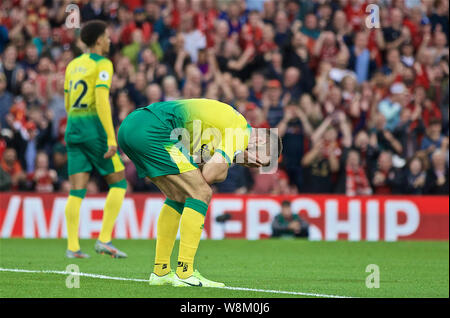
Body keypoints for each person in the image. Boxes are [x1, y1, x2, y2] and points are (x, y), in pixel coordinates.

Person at [118, 98, 282, 287]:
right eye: (261, 159)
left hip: (132, 126)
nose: (255, 166)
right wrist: (234, 158)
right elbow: (210, 175)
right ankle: (185, 272)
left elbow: (199, 166)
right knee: (202, 192)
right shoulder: (241, 131)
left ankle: (161, 271)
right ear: (260, 140)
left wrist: (234, 157)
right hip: (153, 129)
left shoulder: (222, 133)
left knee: (177, 196)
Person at [63, 20, 128, 259]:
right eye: (108, 36)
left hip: (73, 129)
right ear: (99, 40)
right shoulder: (103, 64)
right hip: (94, 131)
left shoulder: (72, 65)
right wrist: (111, 138)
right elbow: (101, 100)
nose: (110, 40)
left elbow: (68, 102)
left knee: (76, 191)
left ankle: (72, 247)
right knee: (119, 183)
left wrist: (75, 124)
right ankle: (104, 240)